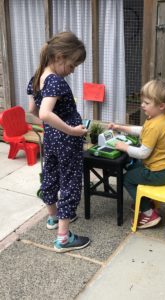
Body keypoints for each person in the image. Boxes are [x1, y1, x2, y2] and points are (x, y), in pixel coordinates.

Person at [27, 31, 90, 252]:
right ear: (59, 57)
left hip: (51, 139)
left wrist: (53, 129)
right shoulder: (55, 81)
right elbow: (44, 113)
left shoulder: (37, 77)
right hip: (66, 141)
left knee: (51, 175)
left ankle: (53, 218)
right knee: (71, 182)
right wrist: (72, 130)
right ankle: (63, 239)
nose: (72, 71)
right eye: (72, 66)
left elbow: (32, 109)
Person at [108, 79, 165, 229]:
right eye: (142, 102)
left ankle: (148, 212)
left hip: (158, 172)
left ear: (161, 106)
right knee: (133, 169)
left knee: (127, 179)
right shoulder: (158, 119)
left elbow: (143, 153)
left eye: (146, 103)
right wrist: (121, 127)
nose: (142, 105)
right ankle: (143, 199)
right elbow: (142, 130)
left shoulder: (155, 126)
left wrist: (124, 147)